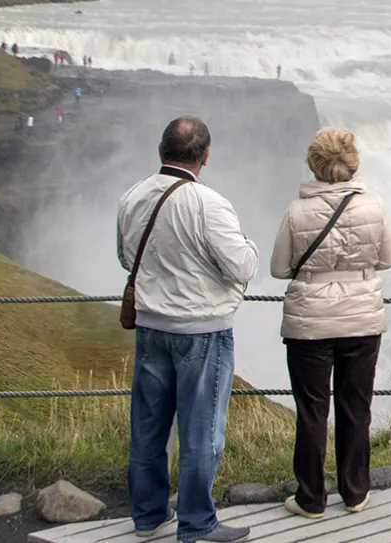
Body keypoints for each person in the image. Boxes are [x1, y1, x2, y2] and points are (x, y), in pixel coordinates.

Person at [115, 116, 258, 543]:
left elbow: (126, 257)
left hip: (150, 326)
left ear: (161, 151)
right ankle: (196, 523)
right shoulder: (209, 204)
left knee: (148, 425)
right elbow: (243, 266)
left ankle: (148, 516)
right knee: (200, 430)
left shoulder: (132, 197)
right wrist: (246, 243)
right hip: (201, 330)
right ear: (205, 157)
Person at [269, 128, 391, 520]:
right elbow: (387, 259)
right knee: (355, 408)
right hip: (360, 317)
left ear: (314, 164)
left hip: (310, 322)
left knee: (312, 411)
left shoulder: (296, 211)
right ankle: (355, 492)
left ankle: (310, 499)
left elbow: (278, 268)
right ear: (353, 162)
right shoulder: (374, 206)